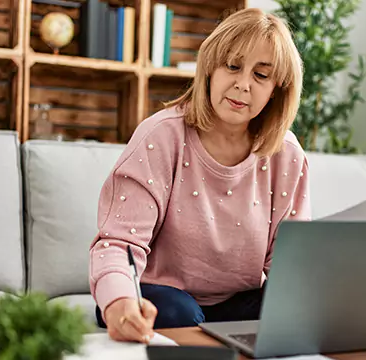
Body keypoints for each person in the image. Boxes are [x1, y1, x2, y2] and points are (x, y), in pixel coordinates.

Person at [88, 7, 311, 344]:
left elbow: (289, 263)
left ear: (277, 89)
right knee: (180, 313)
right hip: (159, 296)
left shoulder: (287, 155)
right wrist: (120, 303)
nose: (243, 84)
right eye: (233, 66)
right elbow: (118, 244)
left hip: (237, 303)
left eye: (261, 76)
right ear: (210, 68)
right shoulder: (160, 136)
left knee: (294, 309)